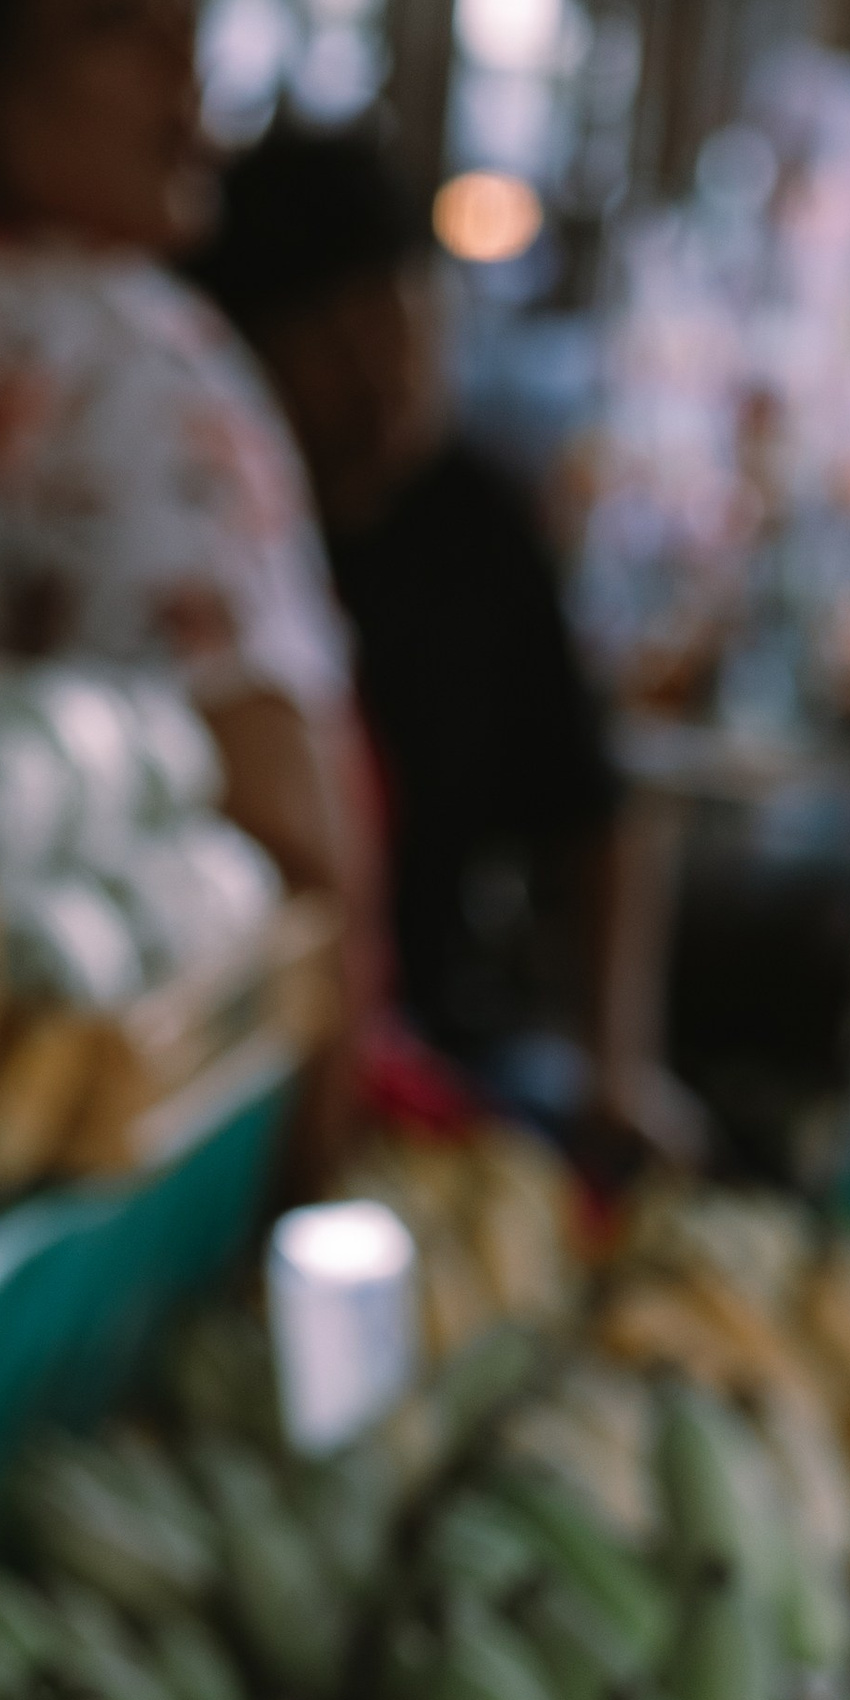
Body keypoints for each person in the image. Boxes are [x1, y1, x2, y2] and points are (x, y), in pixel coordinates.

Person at [0, 0, 367, 935]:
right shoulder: (89, 339)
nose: (185, 72)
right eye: (116, 20)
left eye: (189, 21)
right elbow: (286, 830)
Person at [191, 125, 701, 1165]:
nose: (376, 373)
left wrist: (616, 1065)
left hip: (437, 1044)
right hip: (232, 1046)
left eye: (400, 320)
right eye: (331, 334)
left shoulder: (476, 524)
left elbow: (591, 814)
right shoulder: (208, 531)